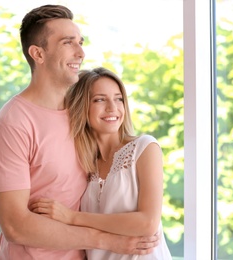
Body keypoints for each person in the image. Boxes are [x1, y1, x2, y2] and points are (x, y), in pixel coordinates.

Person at [0, 5, 159, 260]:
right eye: (68, 43)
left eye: (80, 42)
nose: (81, 52)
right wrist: (108, 241)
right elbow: (15, 226)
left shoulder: (80, 115)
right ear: (38, 54)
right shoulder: (10, 126)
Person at [29, 67, 172, 259]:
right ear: (82, 106)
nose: (112, 108)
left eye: (118, 98)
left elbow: (147, 223)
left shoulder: (144, 148)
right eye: (100, 99)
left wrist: (73, 217)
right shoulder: (81, 163)